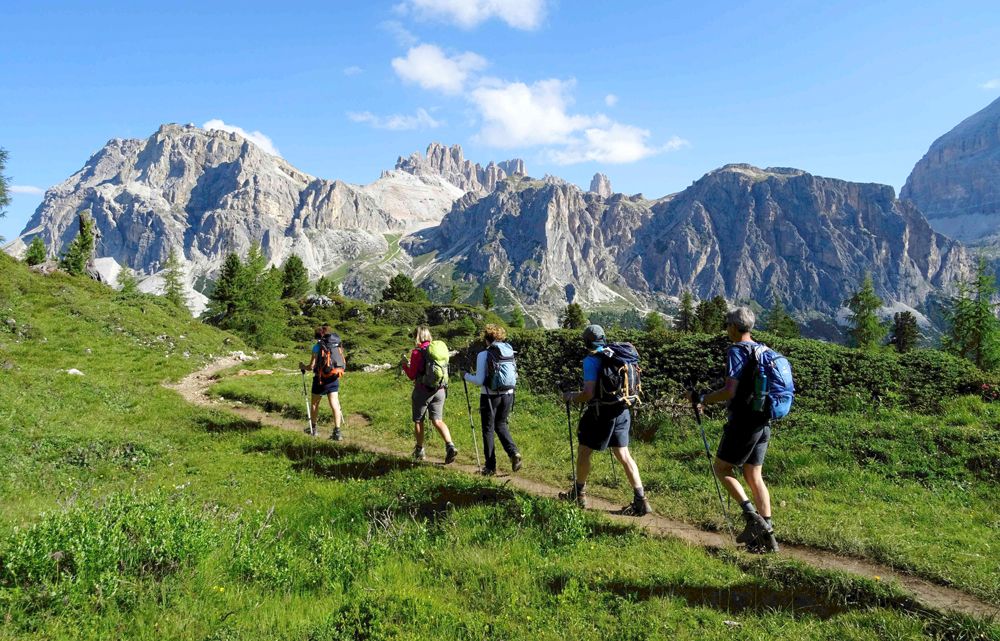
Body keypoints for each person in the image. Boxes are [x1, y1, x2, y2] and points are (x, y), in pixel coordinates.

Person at [689, 306, 778, 553]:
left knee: (722, 468)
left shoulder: (736, 350)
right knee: (753, 475)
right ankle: (767, 538)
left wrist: (703, 399)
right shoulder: (763, 350)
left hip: (743, 421)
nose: (726, 328)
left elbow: (730, 390)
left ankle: (752, 519)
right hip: (763, 421)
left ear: (732, 326)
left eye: (727, 324)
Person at [559, 325, 652, 516]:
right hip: (622, 410)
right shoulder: (619, 355)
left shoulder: (592, 360)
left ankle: (579, 494)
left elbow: (588, 394)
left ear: (586, 342)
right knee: (624, 455)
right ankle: (641, 500)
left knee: (584, 451)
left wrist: (570, 396)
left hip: (600, 413)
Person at [463, 324, 522, 476]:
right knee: (501, 424)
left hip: (490, 395)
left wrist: (465, 376)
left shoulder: (484, 354)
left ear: (486, 338)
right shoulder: (509, 351)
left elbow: (479, 380)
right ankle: (513, 452)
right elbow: (515, 375)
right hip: (508, 394)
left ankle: (490, 467)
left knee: (488, 429)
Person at [400, 326, 458, 463]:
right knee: (437, 420)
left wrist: (404, 365)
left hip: (422, 390)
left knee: (419, 420)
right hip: (440, 389)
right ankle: (450, 445)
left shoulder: (417, 352)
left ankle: (419, 450)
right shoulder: (437, 350)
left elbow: (412, 375)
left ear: (417, 337)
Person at [299, 325, 344, 441]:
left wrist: (303, 366)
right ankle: (337, 432)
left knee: (315, 403)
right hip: (334, 377)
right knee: (334, 403)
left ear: (317, 336)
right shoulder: (335, 344)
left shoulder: (317, 347)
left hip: (320, 380)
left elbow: (311, 366)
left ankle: (313, 429)